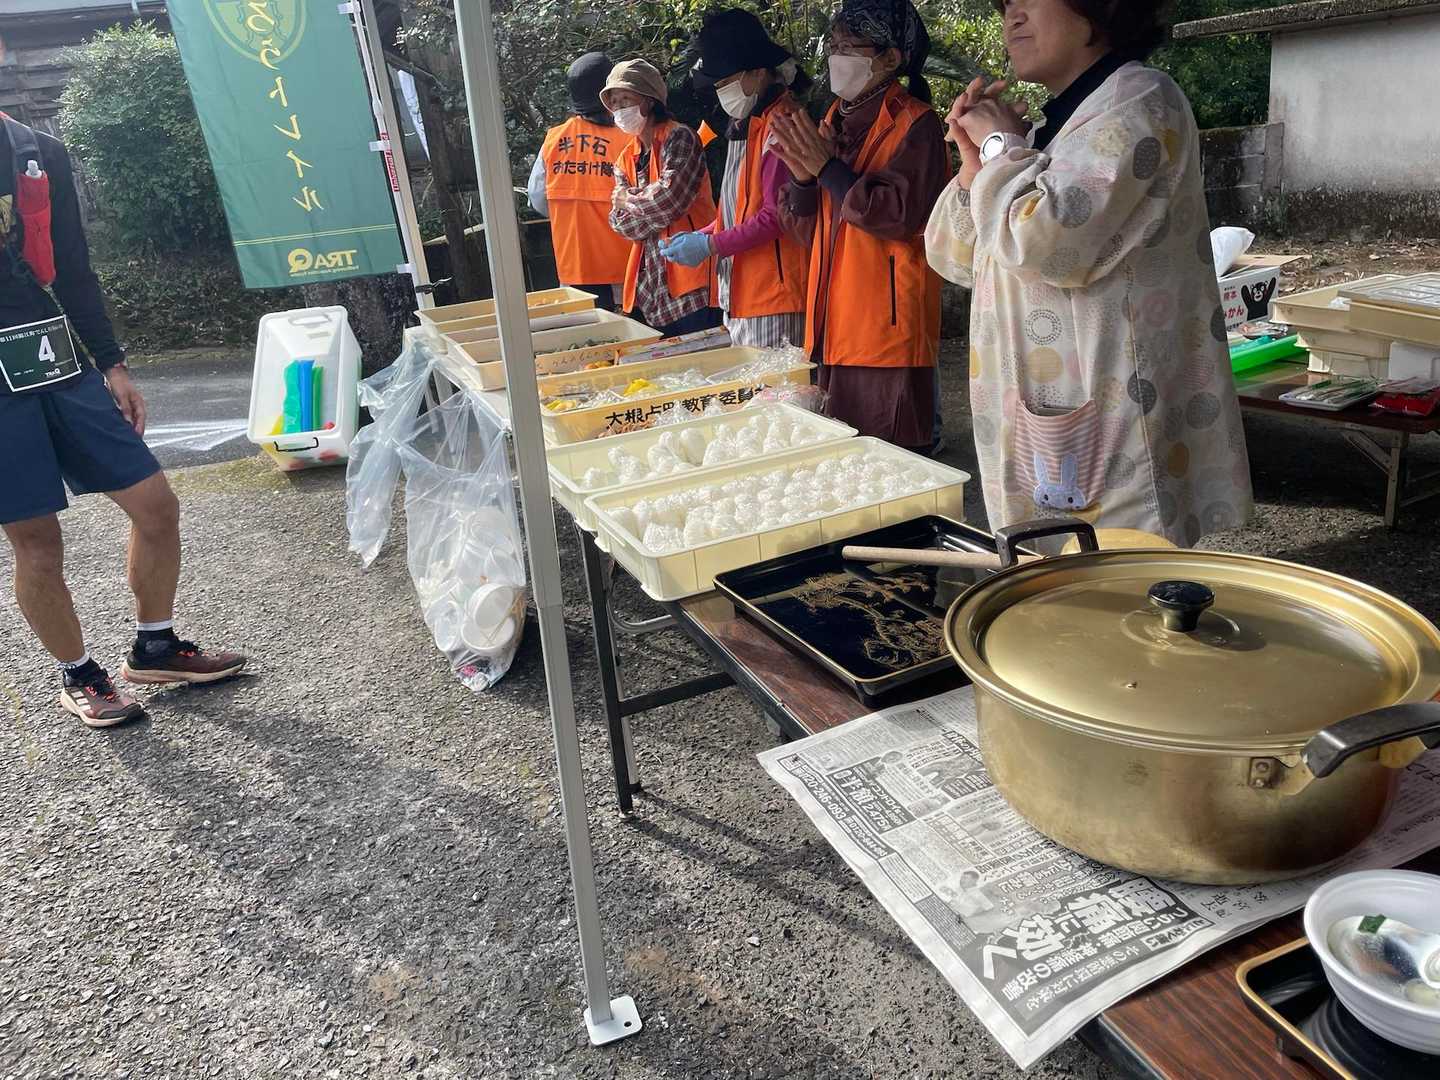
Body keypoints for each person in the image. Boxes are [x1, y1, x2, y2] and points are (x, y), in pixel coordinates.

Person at [923, 0, 1253, 545]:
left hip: (1112, 407)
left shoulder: (1140, 100)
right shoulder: (1049, 127)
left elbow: (1042, 241)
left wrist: (1000, 147)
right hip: (1040, 406)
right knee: (1047, 569)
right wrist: (974, 161)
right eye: (1006, 5)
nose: (1012, 18)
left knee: (1115, 571)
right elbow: (954, 255)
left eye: (1029, 0)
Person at [0, 113, 245, 729]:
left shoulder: (35, 150)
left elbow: (73, 268)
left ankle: (155, 647)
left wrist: (112, 364)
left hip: (55, 357)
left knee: (156, 504)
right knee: (36, 541)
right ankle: (80, 675)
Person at [770, 0, 950, 452]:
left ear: (890, 58)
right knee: (842, 456)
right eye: (833, 45)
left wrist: (828, 168)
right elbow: (807, 233)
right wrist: (803, 179)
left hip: (884, 332)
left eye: (849, 46)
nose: (836, 56)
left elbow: (899, 216)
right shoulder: (833, 120)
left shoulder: (916, 124)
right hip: (831, 326)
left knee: (891, 458)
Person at [659, 10, 810, 349]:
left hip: (775, 295)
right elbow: (742, 210)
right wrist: (703, 234)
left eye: (725, 81)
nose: (720, 90)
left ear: (758, 72)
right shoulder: (749, 123)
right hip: (744, 292)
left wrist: (711, 246)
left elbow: (776, 217)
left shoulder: (781, 124)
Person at [603, 59, 722, 338]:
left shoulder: (679, 137)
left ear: (649, 100)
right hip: (651, 291)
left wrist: (627, 201)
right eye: (614, 102)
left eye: (625, 99)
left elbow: (669, 200)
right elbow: (620, 224)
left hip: (693, 284)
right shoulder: (626, 156)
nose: (619, 109)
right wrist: (650, 207)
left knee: (706, 360)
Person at [527, 52, 632, 312]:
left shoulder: (554, 140)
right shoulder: (630, 140)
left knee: (588, 337)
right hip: (625, 271)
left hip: (574, 272)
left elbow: (538, 199)